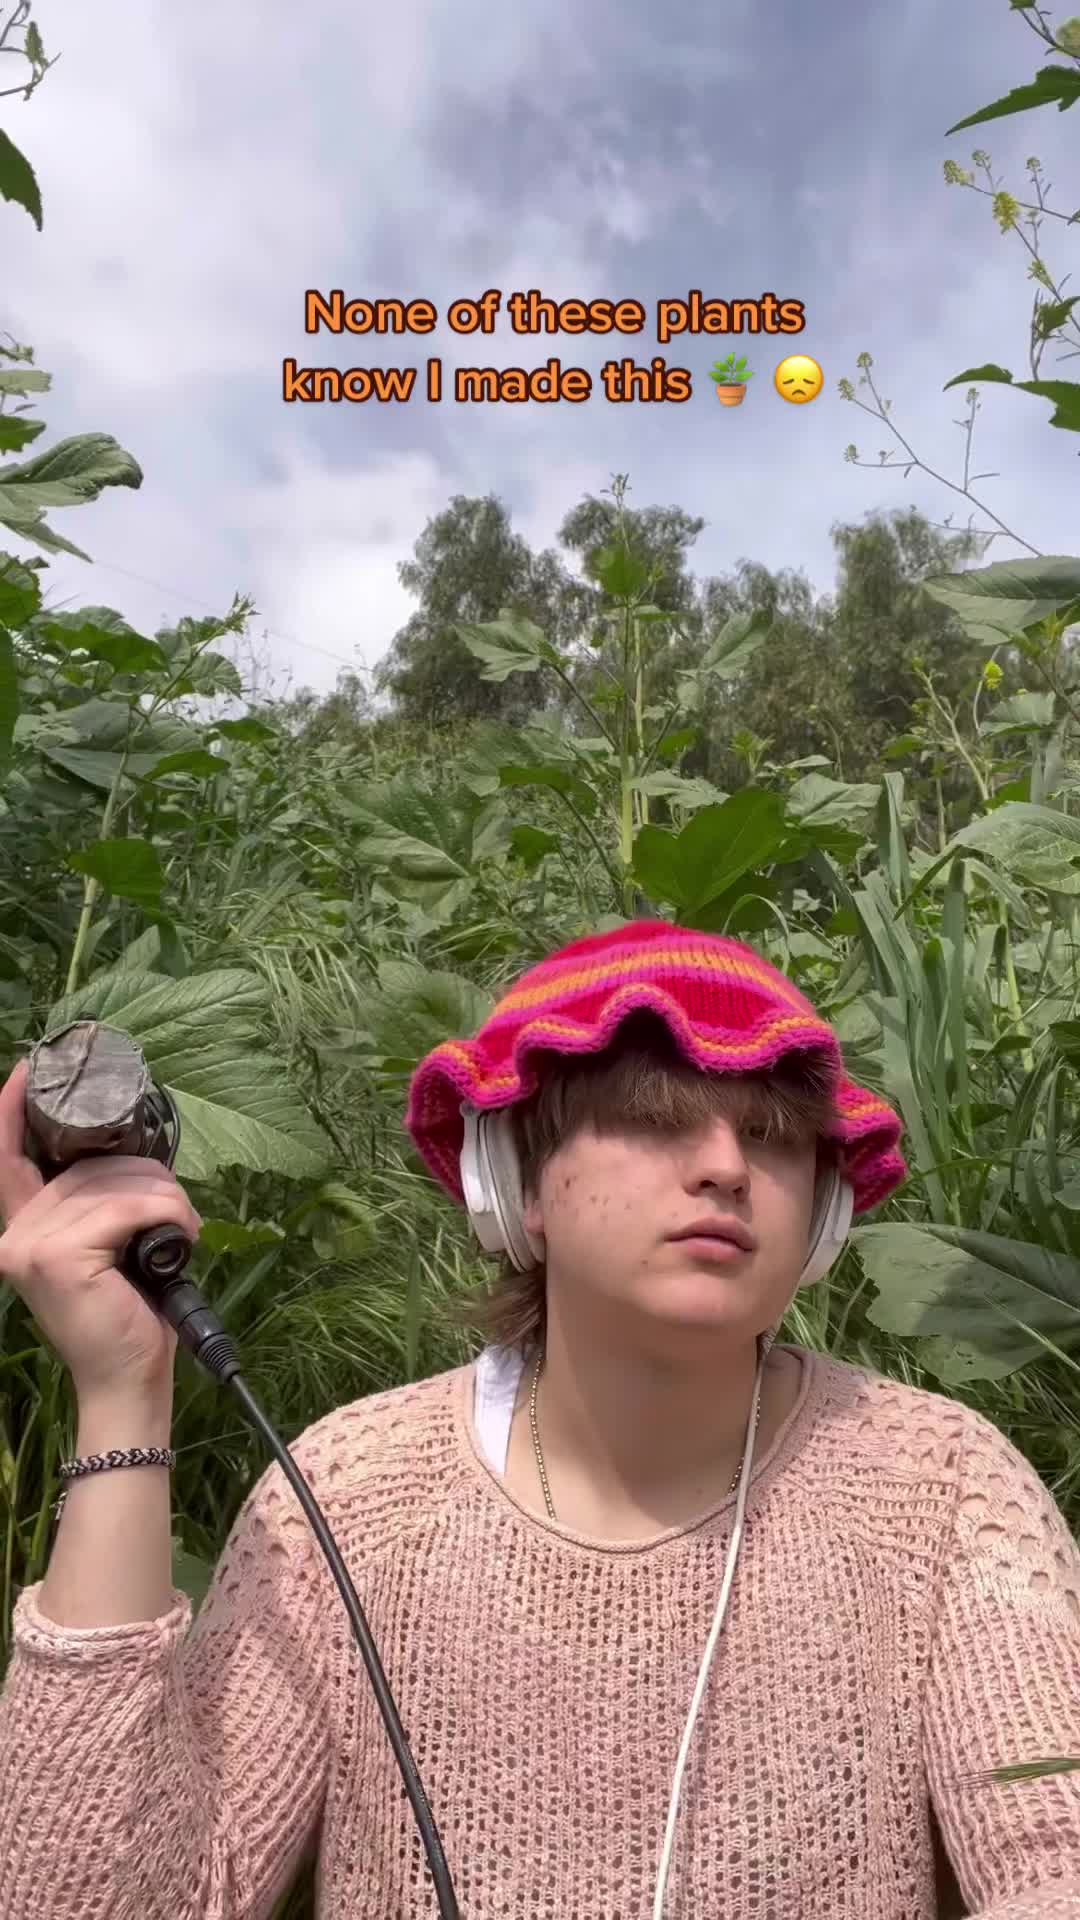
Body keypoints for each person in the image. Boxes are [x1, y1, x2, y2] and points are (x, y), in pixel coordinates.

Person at [0, 916, 1077, 1920]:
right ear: (515, 1181)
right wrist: (122, 1389)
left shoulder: (940, 1488)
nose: (725, 1168)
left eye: (773, 1137)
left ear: (825, 1211)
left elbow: (1054, 1862)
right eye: (652, 1120)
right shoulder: (350, 1499)